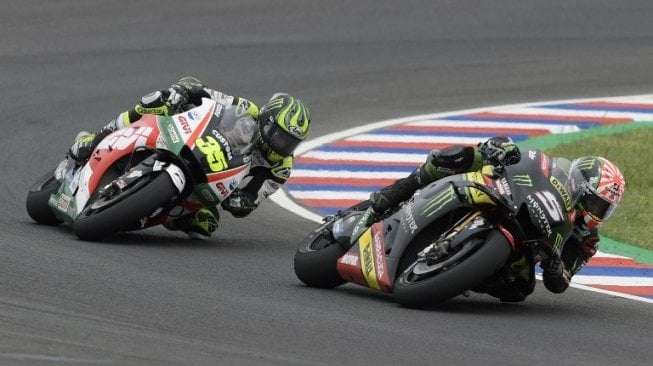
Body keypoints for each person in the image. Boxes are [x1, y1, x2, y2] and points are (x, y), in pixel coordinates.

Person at [369, 136, 625, 302]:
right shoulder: (555, 172)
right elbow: (527, 159)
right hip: (510, 199)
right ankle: (395, 193)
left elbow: (560, 283)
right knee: (462, 157)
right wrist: (502, 148)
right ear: (578, 185)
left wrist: (557, 270)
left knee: (520, 290)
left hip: (527, 246)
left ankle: (462, 271)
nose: (596, 211)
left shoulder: (586, 239)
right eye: (594, 202)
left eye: (603, 208)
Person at [68, 77, 311, 240]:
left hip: (214, 179)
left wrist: (241, 202)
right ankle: (96, 138)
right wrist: (182, 92)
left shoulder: (281, 167)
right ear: (266, 120)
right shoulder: (245, 108)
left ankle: (148, 210)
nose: (281, 145)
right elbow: (206, 95)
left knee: (206, 225)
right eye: (278, 136)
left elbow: (254, 195)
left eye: (289, 142)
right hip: (192, 142)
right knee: (153, 104)